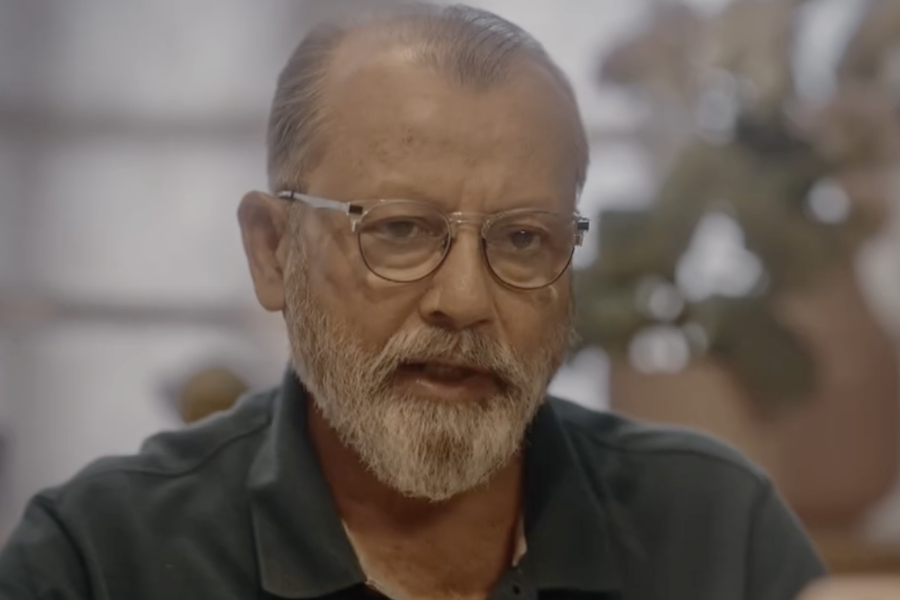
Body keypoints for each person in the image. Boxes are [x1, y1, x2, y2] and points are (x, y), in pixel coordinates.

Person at [0, 4, 827, 599]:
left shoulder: (717, 536)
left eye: (523, 238)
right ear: (273, 250)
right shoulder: (98, 559)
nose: (464, 300)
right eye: (399, 230)